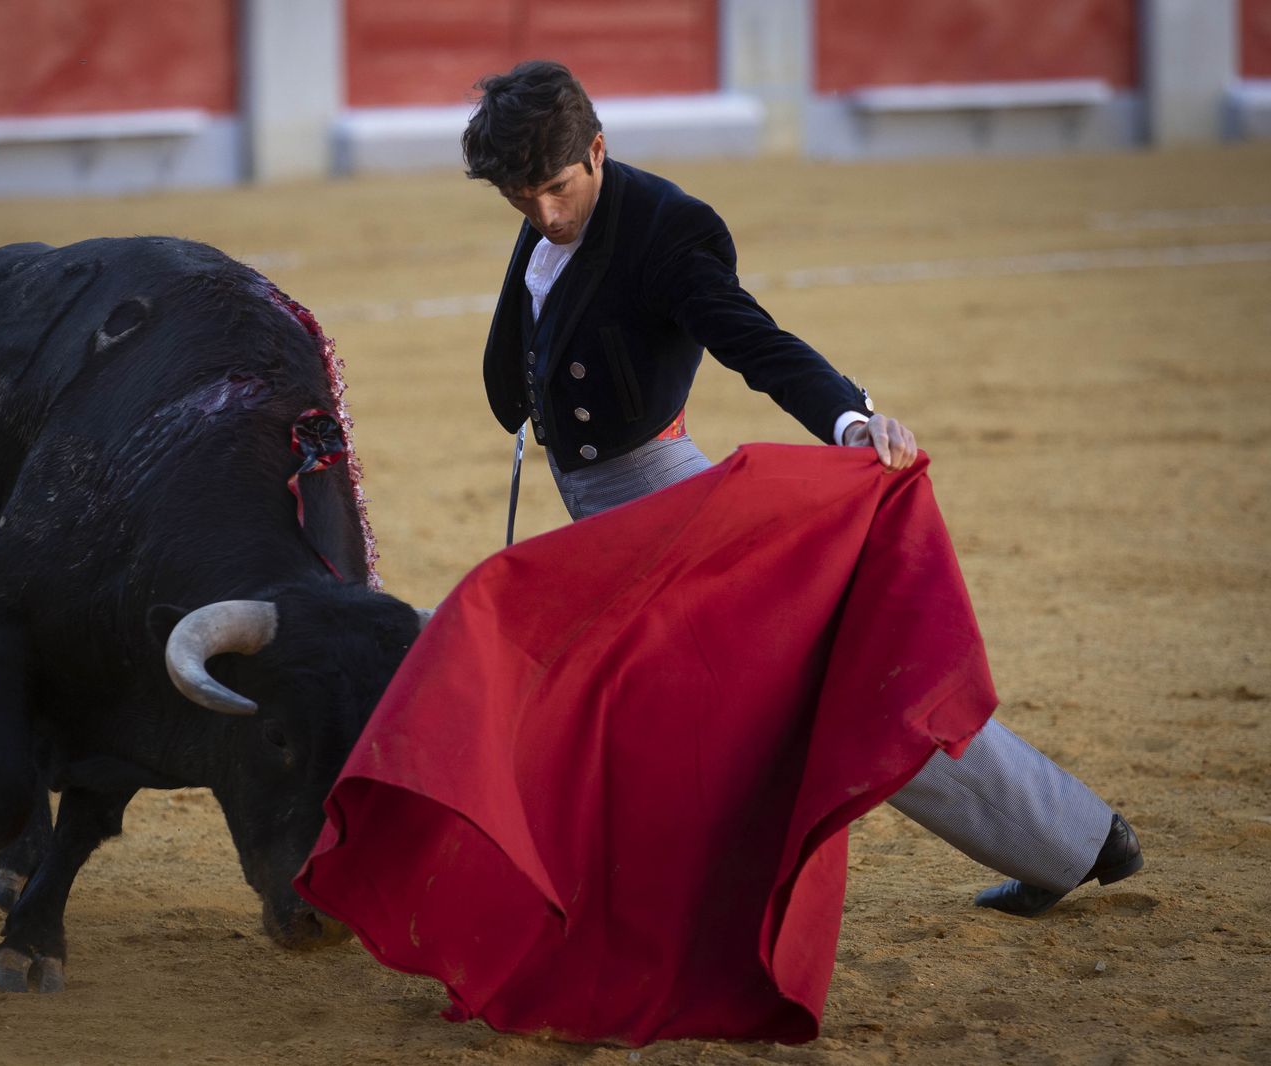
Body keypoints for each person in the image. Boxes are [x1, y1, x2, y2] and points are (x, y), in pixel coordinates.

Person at [461, 59, 1142, 917]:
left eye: (556, 190)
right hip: (609, 521)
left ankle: (1069, 838)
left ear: (597, 149)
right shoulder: (551, 200)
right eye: (521, 200)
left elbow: (756, 342)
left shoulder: (669, 231)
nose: (543, 215)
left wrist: (849, 423)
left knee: (824, 698)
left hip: (664, 516)